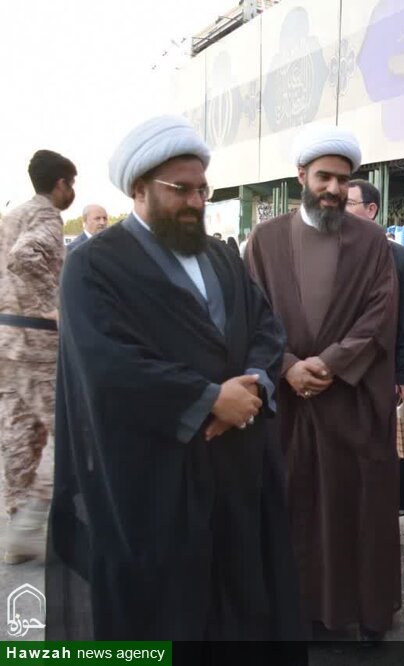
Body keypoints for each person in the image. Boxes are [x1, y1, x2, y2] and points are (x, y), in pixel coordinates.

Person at [45, 115, 302, 645]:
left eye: (201, 189)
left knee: (242, 606)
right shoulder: (93, 266)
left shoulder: (220, 256)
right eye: (180, 190)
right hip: (155, 477)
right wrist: (207, 400)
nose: (195, 202)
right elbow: (107, 363)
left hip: (236, 467)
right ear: (139, 189)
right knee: (168, 617)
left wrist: (254, 383)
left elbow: (265, 327)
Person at [244, 124, 400, 642]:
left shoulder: (372, 241)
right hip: (288, 406)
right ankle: (299, 614)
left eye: (342, 179)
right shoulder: (264, 241)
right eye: (324, 177)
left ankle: (361, 614)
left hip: (350, 404)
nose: (333, 188)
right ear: (301, 177)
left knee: (355, 511)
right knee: (294, 510)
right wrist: (288, 365)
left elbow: (380, 314)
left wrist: (330, 364)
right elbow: (251, 316)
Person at [0, 149, 76, 564]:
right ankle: (33, 522)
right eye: (71, 183)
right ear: (60, 184)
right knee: (66, 428)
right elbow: (23, 257)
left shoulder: (12, 217)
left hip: (7, 338)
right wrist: (53, 303)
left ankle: (18, 525)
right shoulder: (46, 217)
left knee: (18, 430)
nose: (72, 191)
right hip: (36, 339)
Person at [346, 178, 404, 517]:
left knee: (382, 446)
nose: (341, 210)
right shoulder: (333, 251)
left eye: (349, 203)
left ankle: (385, 509)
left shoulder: (400, 258)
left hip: (384, 373)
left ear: (371, 209)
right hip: (341, 371)